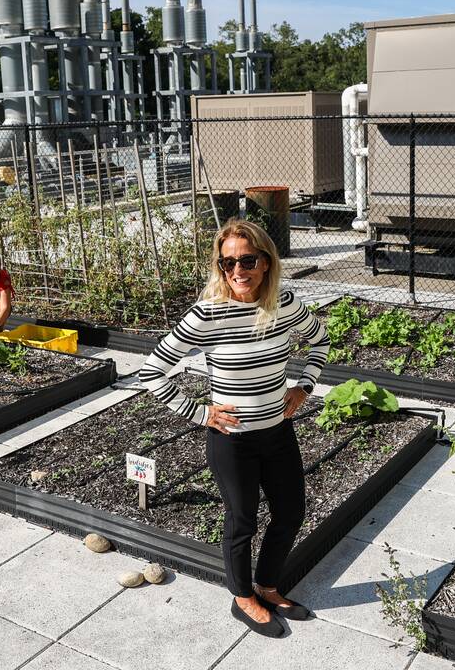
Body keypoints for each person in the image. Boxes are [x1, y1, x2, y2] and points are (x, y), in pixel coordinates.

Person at [139, 219, 330, 638]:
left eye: (247, 260)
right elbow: (151, 372)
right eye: (228, 263)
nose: (238, 270)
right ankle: (242, 598)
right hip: (232, 442)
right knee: (242, 521)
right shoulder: (207, 314)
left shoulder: (285, 305)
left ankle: (268, 586)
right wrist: (200, 413)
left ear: (266, 262)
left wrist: (304, 386)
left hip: (278, 433)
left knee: (290, 513)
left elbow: (321, 341)